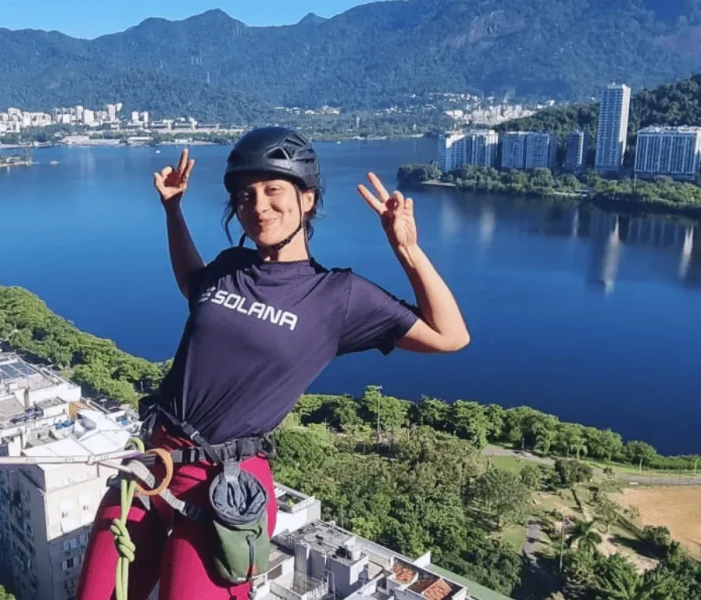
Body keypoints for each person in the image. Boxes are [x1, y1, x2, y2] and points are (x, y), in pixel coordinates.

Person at [76, 127, 469, 600]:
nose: (258, 205)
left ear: (307, 199)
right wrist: (172, 210)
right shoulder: (229, 266)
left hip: (224, 485)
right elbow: (192, 287)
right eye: (246, 195)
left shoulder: (338, 297)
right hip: (153, 460)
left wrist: (407, 250)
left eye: (273, 190)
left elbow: (450, 337)